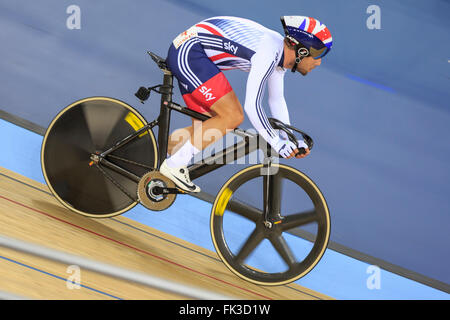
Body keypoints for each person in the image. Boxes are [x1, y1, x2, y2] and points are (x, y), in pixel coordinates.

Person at [160, 16, 333, 192]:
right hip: (189, 51)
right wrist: (275, 141)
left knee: (210, 126)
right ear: (301, 51)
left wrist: (289, 138)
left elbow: (276, 100)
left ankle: (158, 156)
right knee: (232, 116)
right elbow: (252, 105)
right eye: (318, 53)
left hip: (193, 49)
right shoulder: (267, 54)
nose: (319, 62)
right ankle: (174, 164)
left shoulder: (279, 58)